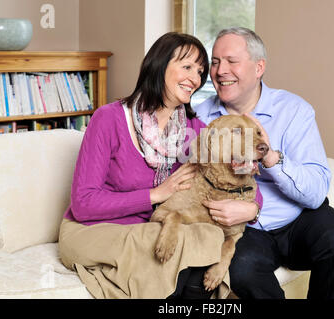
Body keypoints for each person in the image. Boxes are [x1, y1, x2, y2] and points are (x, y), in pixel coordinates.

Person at [58, 31, 262, 299]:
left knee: (202, 243)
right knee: (184, 245)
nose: (195, 78)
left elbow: (242, 181)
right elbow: (84, 204)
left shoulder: (195, 130)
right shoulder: (108, 119)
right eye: (187, 67)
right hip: (96, 229)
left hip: (157, 227)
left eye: (200, 71)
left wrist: (251, 207)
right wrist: (156, 194)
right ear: (159, 65)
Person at [195, 27, 334, 299]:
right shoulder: (201, 118)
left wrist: (271, 157)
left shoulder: (294, 110)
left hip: (296, 218)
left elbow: (316, 193)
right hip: (243, 230)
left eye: (231, 61)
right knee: (242, 269)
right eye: (215, 62)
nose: (220, 70)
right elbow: (193, 183)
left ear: (259, 67)